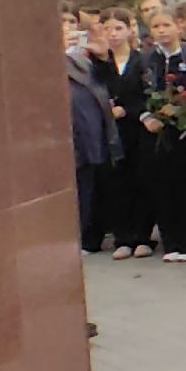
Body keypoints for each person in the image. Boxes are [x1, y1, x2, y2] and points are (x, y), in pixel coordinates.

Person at [139, 7, 186, 262]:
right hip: (156, 131)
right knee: (162, 186)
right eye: (156, 27)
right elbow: (139, 93)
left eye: (166, 25)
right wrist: (147, 116)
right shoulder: (147, 58)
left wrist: (181, 109)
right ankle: (171, 243)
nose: (161, 31)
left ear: (178, 27)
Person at [95, 7, 155, 260]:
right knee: (115, 182)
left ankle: (143, 237)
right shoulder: (99, 64)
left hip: (138, 129)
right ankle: (123, 238)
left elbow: (150, 96)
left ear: (130, 29)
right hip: (110, 132)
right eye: (107, 29)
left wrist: (128, 111)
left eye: (118, 28)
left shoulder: (142, 60)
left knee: (141, 179)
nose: (113, 34)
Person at [68, 16, 120, 254]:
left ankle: (88, 237)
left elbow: (110, 86)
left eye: (71, 24)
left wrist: (102, 57)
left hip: (89, 134)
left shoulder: (86, 60)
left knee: (89, 187)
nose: (68, 29)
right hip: (65, 135)